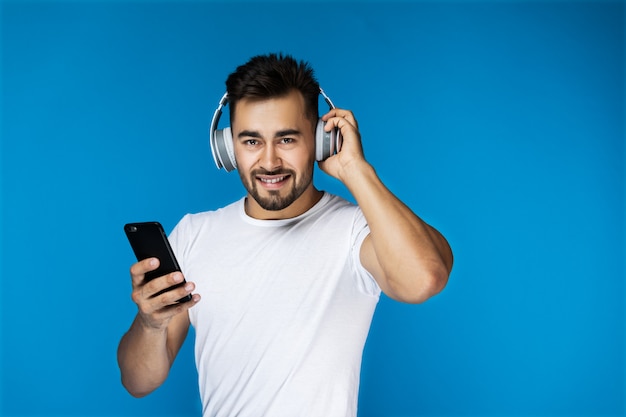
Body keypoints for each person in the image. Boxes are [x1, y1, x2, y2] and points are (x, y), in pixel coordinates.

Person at [117, 53, 453, 417]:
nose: (270, 161)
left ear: (321, 139)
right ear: (228, 148)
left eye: (287, 139)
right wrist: (151, 323)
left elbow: (425, 279)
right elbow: (138, 382)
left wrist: (356, 169)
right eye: (251, 141)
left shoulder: (356, 230)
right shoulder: (194, 235)